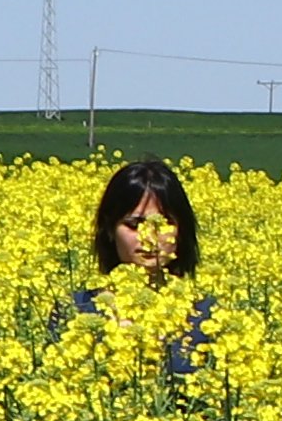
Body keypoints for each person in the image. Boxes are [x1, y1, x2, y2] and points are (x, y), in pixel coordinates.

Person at [58, 154, 214, 379]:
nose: (149, 237)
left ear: (182, 230)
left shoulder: (208, 317)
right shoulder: (74, 310)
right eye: (134, 225)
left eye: (163, 224)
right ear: (110, 229)